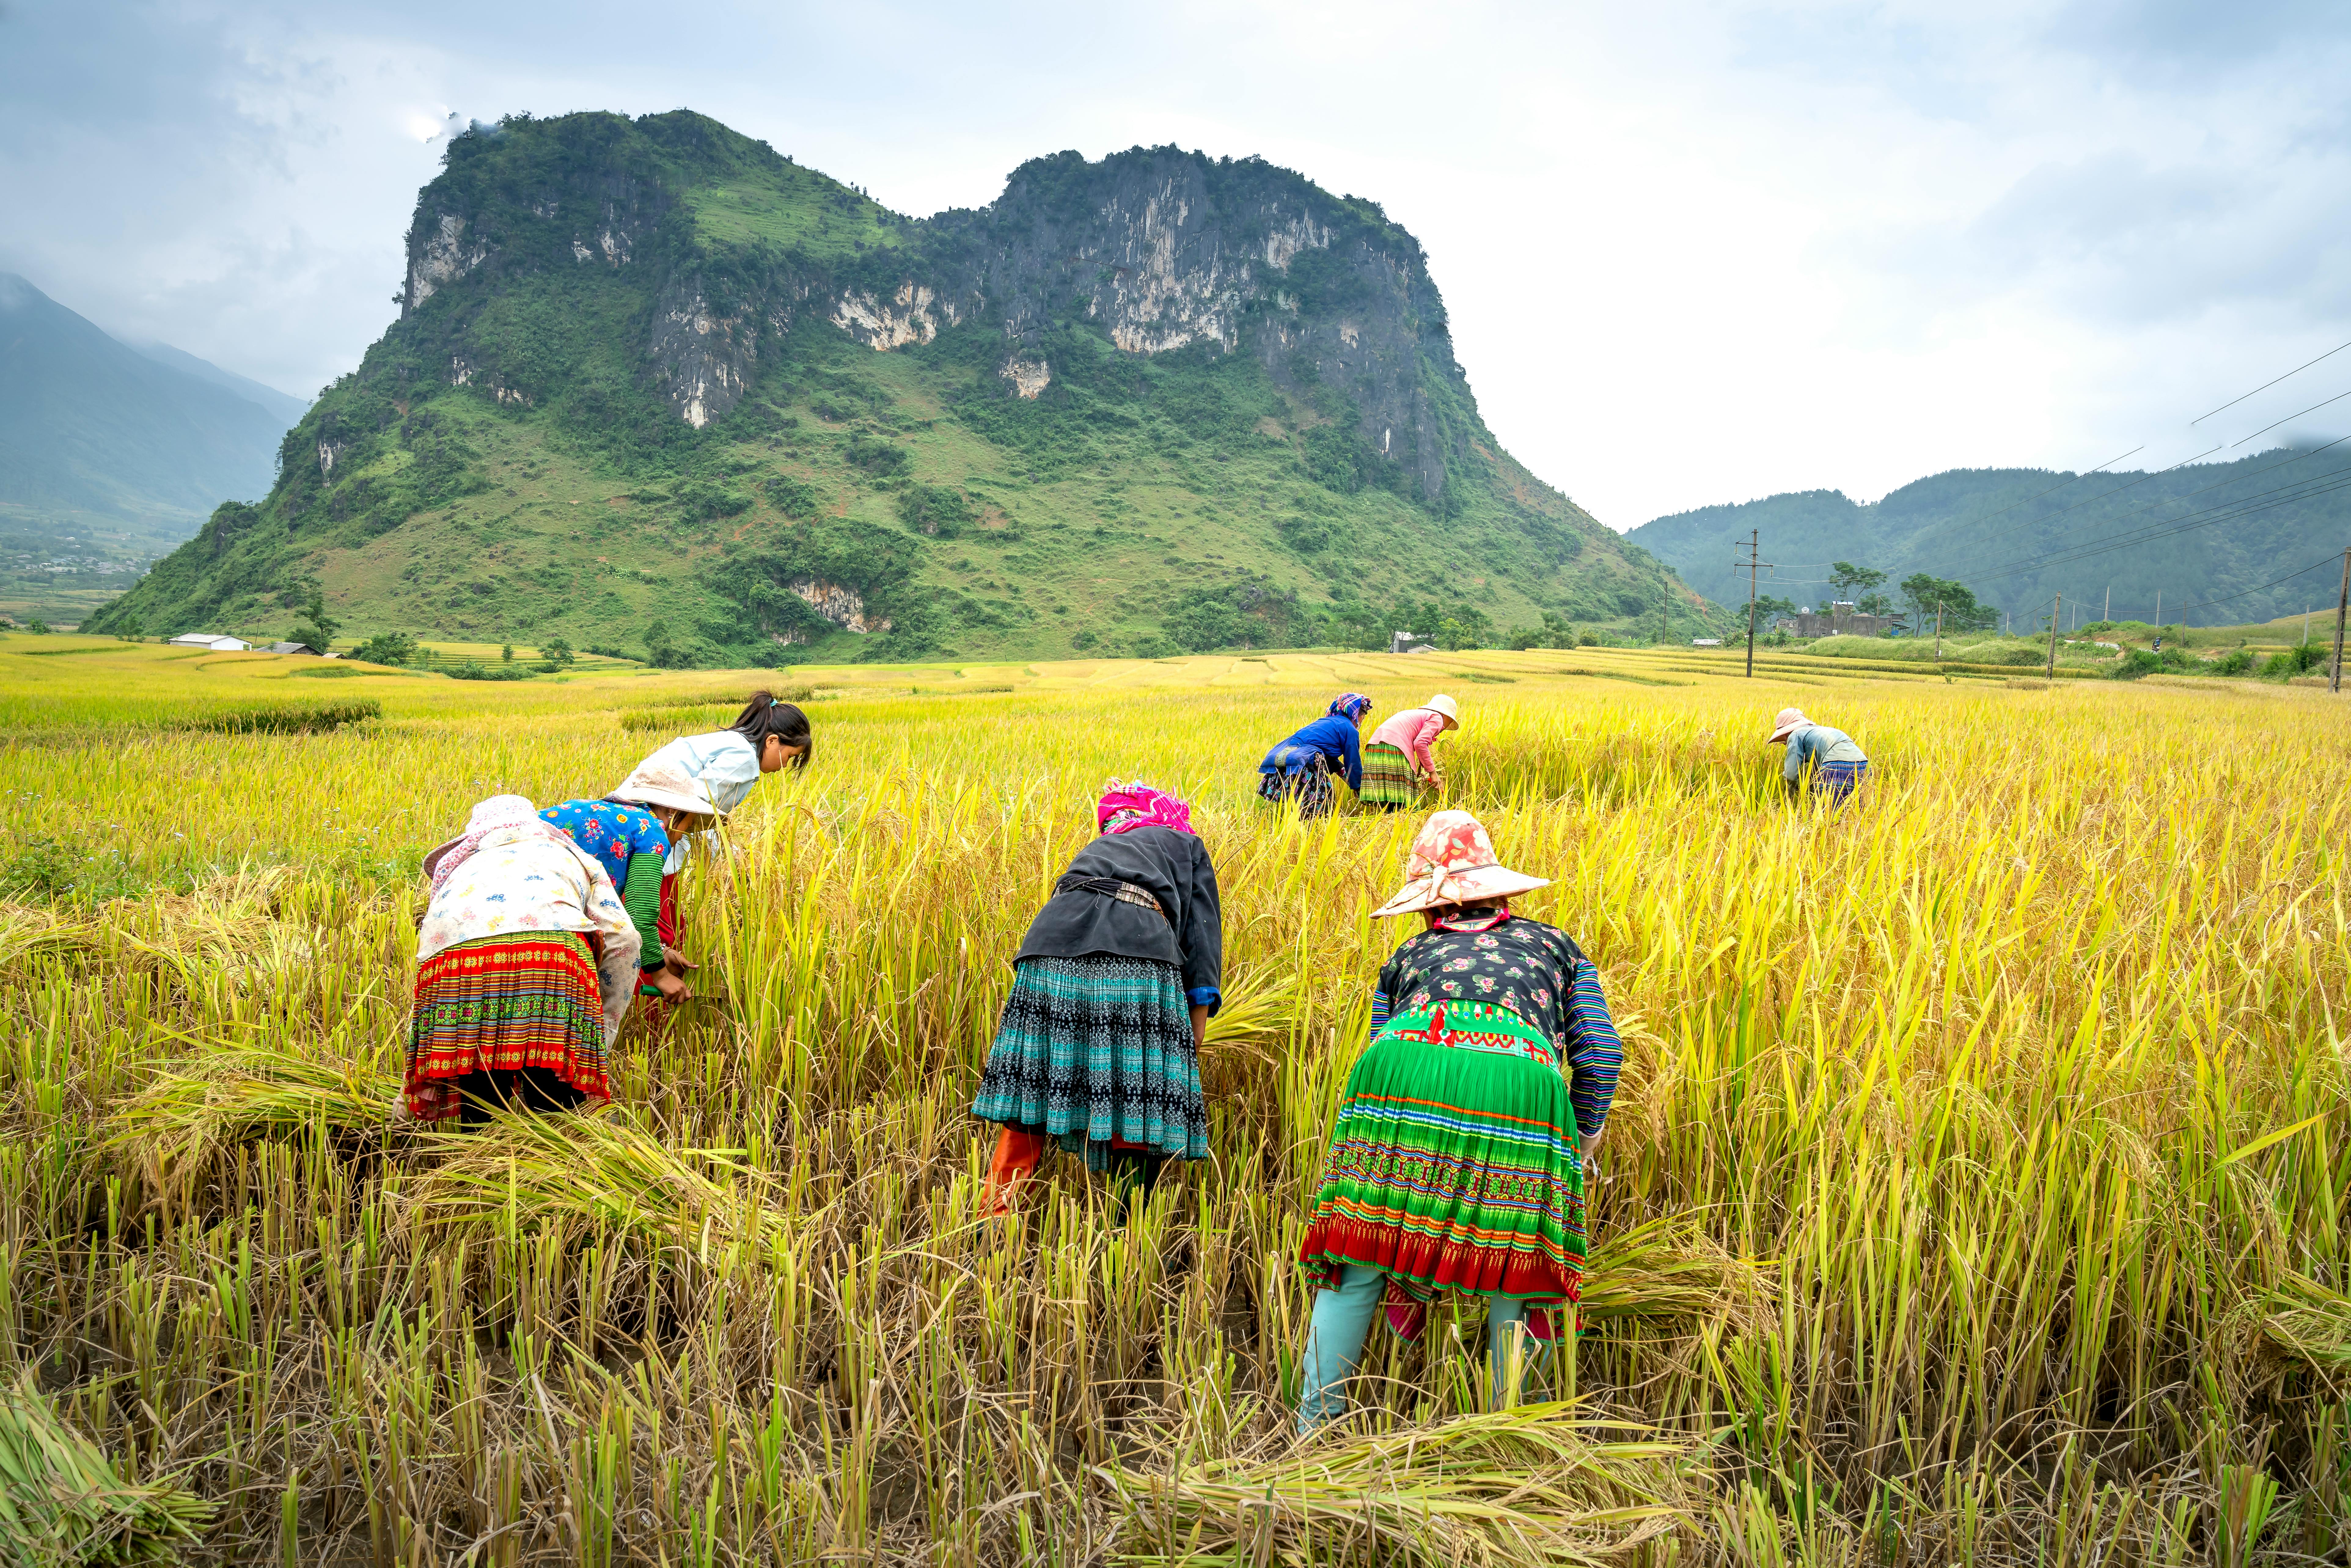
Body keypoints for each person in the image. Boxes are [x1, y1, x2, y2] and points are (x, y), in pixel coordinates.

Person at [1292, 810, 1623, 1434]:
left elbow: (1380, 1046)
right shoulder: (1558, 947)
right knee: (1517, 1264)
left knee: (1359, 1249)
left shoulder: (1410, 952)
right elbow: (1601, 1055)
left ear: (1429, 905)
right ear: (1498, 890)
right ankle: (1512, 1435)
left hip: (1397, 1069)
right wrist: (1576, 1145)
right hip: (1519, 1082)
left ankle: (1313, 1430)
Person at [970, 782, 1223, 1220]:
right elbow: (1200, 943)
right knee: (1134, 1102)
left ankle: (994, 1223)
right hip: (1138, 952)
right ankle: (1127, 1235)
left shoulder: (1102, 844)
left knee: (1034, 1092)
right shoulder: (1185, 842)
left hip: (1050, 952)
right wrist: (1193, 1031)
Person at [405, 795, 644, 1124]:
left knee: (481, 1103)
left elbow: (433, 950)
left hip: (457, 968)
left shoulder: (460, 866)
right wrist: (604, 1025)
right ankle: (558, 1164)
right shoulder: (570, 855)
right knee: (558, 1110)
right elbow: (625, 939)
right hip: (553, 960)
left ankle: (475, 1164)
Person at [626, 691, 812, 990]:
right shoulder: (741, 758)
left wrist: (733, 862)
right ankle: (650, 1014)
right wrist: (658, 855)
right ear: (773, 741)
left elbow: (706, 821)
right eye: (789, 757)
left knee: (668, 930)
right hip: (652, 841)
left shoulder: (735, 748)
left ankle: (652, 1015)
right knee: (659, 934)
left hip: (647, 833)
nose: (784, 767)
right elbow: (688, 808)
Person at [540, 763, 718, 1005]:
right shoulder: (651, 829)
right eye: (688, 826)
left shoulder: (576, 809)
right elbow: (640, 914)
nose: (683, 835)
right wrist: (661, 975)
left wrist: (662, 952)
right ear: (673, 814)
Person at [1256, 693, 1373, 817]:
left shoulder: (1326, 722)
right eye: (1363, 718)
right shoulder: (1349, 729)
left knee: (1291, 807)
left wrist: (1351, 782)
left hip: (1284, 758)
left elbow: (1331, 760)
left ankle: (1290, 829)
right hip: (1304, 760)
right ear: (1355, 714)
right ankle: (1310, 832)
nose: (1361, 722)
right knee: (1320, 806)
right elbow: (1353, 761)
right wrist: (1360, 788)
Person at [1359, 694, 1459, 811]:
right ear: (1444, 715)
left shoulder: (1416, 715)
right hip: (1393, 751)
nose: (1446, 726)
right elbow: (1421, 744)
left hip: (1375, 750)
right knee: (1404, 807)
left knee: (1388, 802)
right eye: (1450, 720)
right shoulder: (1437, 718)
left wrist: (1416, 773)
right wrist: (1433, 773)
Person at [1768, 707, 1869, 805]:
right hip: (1863, 765)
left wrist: (1789, 796)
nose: (1785, 742)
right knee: (1855, 807)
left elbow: (1792, 773)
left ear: (1787, 732)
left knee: (1825, 811)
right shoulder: (1820, 732)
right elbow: (1815, 771)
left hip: (1835, 766)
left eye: (1784, 738)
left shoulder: (1795, 734)